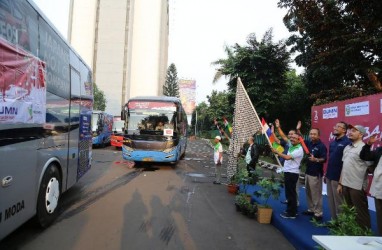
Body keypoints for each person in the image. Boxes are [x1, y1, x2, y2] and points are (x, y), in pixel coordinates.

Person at [337, 125, 372, 230]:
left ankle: (364, 236)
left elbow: (370, 167)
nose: (350, 132)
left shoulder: (364, 149)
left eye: (354, 131)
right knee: (349, 211)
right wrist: (340, 183)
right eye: (350, 130)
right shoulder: (347, 147)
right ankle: (351, 233)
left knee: (361, 213)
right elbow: (344, 167)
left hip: (357, 186)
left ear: (361, 134)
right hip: (345, 185)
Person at [272, 133, 304, 219]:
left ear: (299, 140)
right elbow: (283, 138)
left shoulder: (299, 149)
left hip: (292, 173)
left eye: (295, 138)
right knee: (289, 193)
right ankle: (291, 210)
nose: (292, 139)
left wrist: (277, 152)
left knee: (291, 194)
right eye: (292, 137)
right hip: (288, 171)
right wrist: (276, 130)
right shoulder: (292, 145)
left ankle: (292, 213)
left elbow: (287, 157)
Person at [324, 121, 351, 220]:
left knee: (339, 201)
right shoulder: (332, 143)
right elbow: (331, 160)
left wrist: (341, 181)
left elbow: (346, 164)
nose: (335, 128)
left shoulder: (347, 143)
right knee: (331, 199)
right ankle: (334, 221)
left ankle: (342, 224)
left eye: (338, 127)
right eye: (335, 126)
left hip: (339, 178)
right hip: (329, 175)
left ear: (344, 130)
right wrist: (326, 173)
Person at [302, 128, 327, 221]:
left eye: (314, 134)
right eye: (311, 134)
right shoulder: (309, 143)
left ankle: (318, 213)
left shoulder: (321, 146)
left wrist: (315, 159)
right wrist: (298, 130)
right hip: (308, 172)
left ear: (318, 135)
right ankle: (311, 209)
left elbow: (324, 159)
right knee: (308, 192)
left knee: (316, 194)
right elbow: (300, 139)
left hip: (316, 174)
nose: (312, 136)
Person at [274, 119, 301, 206]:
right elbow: (283, 136)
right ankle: (290, 201)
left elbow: (287, 157)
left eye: (292, 135)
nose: (290, 136)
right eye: (289, 135)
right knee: (289, 188)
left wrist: (277, 152)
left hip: (294, 170)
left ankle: (295, 202)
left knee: (294, 188)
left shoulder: (298, 146)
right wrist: (278, 127)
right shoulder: (290, 142)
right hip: (288, 169)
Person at [360, 134, 382, 235]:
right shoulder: (379, 150)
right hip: (379, 188)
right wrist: (368, 144)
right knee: (380, 215)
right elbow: (364, 156)